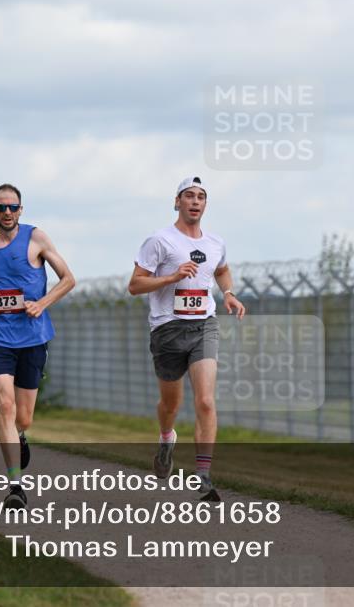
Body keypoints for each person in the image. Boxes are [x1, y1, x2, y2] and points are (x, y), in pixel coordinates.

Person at [0, 183, 76, 509]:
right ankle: (15, 486)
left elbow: (67, 278)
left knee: (23, 417)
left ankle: (20, 435)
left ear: (20, 210)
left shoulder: (36, 238)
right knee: (5, 406)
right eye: (1, 207)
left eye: (13, 207)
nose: (7, 212)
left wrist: (43, 303)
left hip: (32, 335)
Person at [127, 176, 246, 502]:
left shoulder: (215, 242)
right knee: (171, 404)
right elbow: (135, 285)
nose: (195, 202)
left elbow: (220, 269)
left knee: (206, 401)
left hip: (203, 325)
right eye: (189, 196)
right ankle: (167, 439)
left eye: (201, 197)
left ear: (205, 205)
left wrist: (229, 294)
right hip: (167, 328)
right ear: (177, 202)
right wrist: (172, 276)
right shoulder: (159, 241)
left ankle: (204, 477)